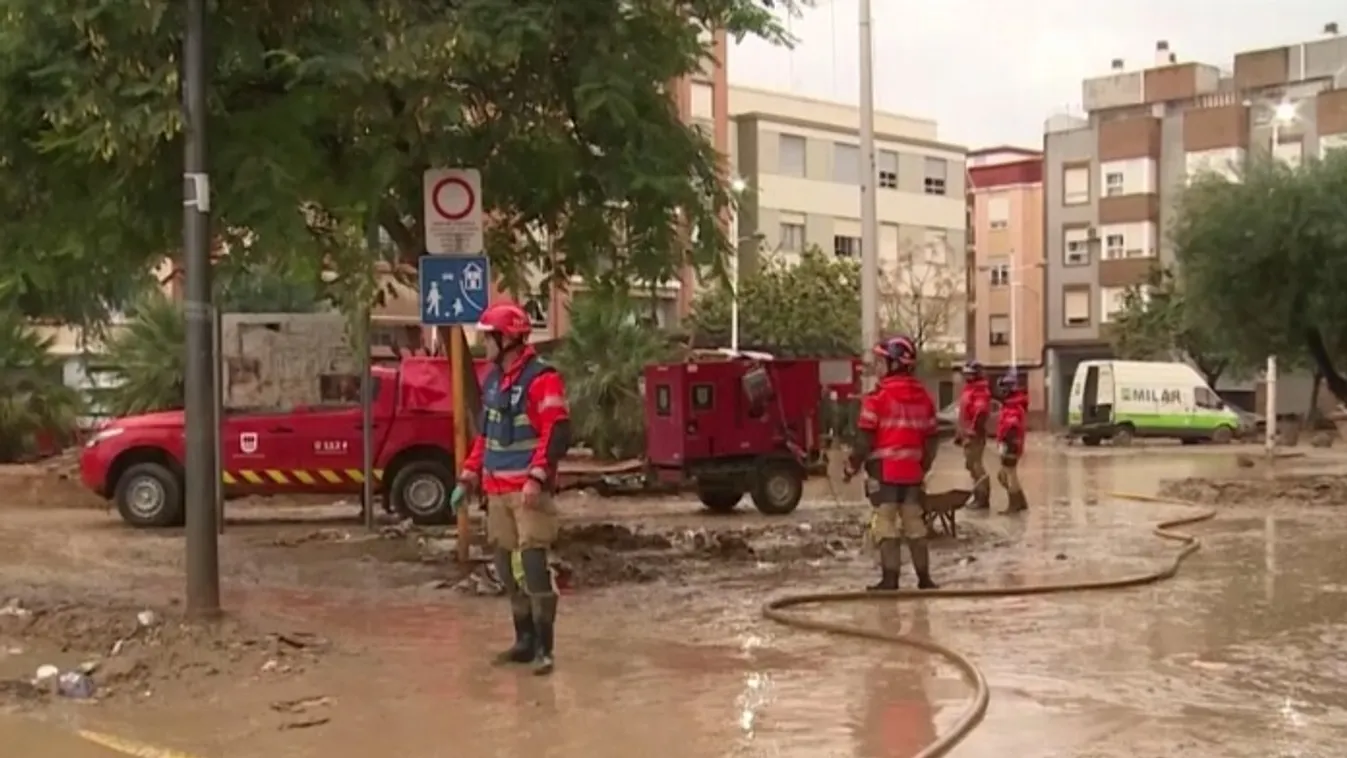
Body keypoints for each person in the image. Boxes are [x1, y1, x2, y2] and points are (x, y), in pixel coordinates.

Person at [455, 302, 572, 675]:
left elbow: (557, 430)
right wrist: (469, 475)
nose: (482, 344)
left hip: (526, 492)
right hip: (496, 491)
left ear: (506, 339)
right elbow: (486, 437)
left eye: (487, 337)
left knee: (534, 565)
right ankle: (523, 641)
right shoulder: (493, 381)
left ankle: (545, 648)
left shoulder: (542, 379)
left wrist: (537, 476)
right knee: (505, 565)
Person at [844, 335, 940, 591]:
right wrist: (922, 466)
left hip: (884, 473)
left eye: (881, 361)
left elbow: (865, 440)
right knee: (915, 524)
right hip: (913, 475)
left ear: (895, 364)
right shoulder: (925, 398)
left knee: (885, 524)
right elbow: (932, 439)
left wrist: (851, 466)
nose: (878, 367)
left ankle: (890, 580)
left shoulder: (877, 398)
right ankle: (924, 579)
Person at [955, 360, 992, 511]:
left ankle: (982, 498)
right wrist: (960, 433)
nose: (967, 377)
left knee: (976, 465)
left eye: (970, 374)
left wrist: (972, 431)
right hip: (967, 434)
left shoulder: (980, 391)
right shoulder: (969, 389)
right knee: (971, 465)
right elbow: (964, 413)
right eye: (966, 374)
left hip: (974, 435)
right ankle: (978, 495)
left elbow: (981, 412)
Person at [995, 372, 1029, 514]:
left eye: (1003, 388)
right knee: (1004, 475)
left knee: (1009, 475)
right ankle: (1020, 502)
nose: (1000, 391)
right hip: (1011, 443)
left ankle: (1014, 504)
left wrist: (1006, 445)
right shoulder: (1011, 404)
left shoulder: (1013, 407)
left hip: (1011, 444)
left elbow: (1012, 427)